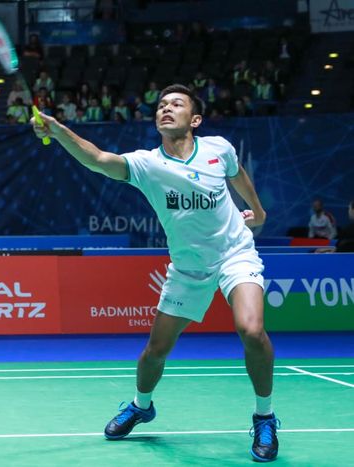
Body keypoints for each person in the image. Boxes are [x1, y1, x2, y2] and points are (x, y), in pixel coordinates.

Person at [30, 83, 279, 462]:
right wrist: (59, 130)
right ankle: (141, 405)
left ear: (194, 119)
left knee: (252, 330)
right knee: (154, 352)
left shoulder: (218, 149)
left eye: (176, 104)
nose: (166, 108)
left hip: (234, 254)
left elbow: (238, 174)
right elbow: (97, 158)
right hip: (188, 268)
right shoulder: (147, 164)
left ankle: (265, 416)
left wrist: (257, 211)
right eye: (161, 105)